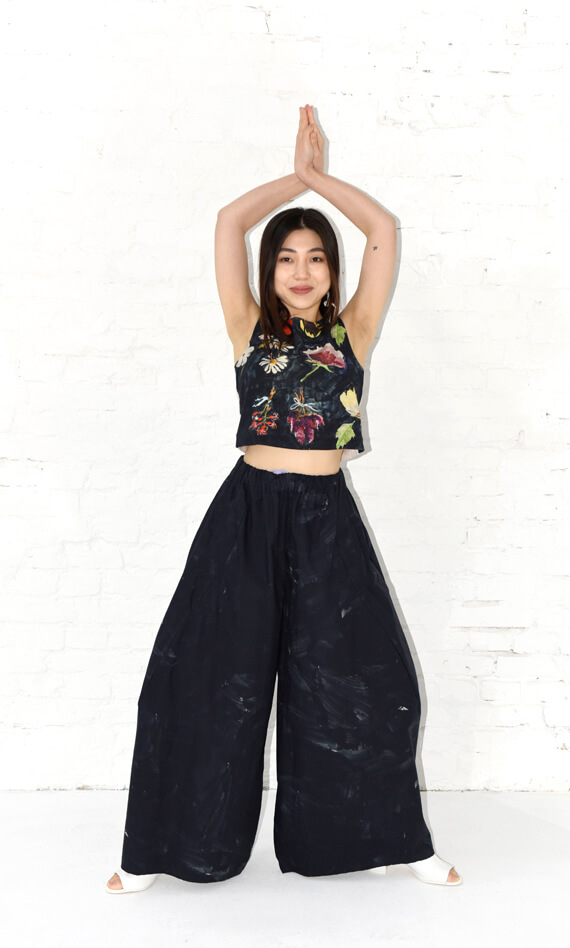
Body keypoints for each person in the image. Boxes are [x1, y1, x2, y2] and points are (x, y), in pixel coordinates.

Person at [106, 105, 462, 893]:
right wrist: (290, 178)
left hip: (326, 521)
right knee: (203, 675)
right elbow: (229, 222)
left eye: (317, 259)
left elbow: (383, 231)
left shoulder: (353, 334)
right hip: (246, 516)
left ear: (334, 271)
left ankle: (397, 839)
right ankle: (155, 853)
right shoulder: (248, 330)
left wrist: (317, 180)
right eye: (287, 259)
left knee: (370, 679)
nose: (302, 272)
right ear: (269, 272)